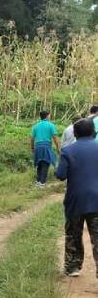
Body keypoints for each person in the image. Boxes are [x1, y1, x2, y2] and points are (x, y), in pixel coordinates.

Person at [55, 117, 98, 277]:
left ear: (75, 133)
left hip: (76, 201)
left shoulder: (68, 151)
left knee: (73, 234)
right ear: (93, 131)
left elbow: (61, 175)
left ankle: (73, 267)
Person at [30, 110, 59, 188]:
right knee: (45, 163)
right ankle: (42, 183)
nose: (50, 116)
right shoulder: (51, 125)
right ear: (47, 116)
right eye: (49, 115)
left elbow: (32, 138)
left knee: (39, 163)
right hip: (46, 146)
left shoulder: (35, 126)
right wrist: (58, 148)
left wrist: (32, 148)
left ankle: (38, 182)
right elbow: (55, 138)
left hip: (38, 146)